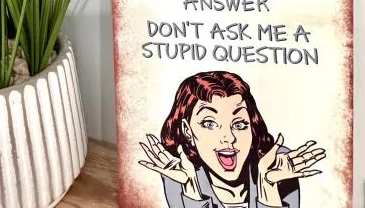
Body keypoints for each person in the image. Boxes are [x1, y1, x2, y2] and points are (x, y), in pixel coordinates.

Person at [139, 71, 325, 208]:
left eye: (239, 124)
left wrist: (268, 188)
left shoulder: (279, 164)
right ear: (188, 131)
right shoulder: (179, 170)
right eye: (210, 124)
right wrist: (192, 191)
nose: (228, 137)